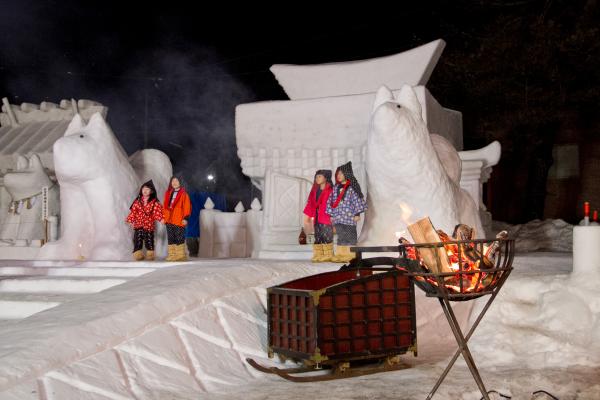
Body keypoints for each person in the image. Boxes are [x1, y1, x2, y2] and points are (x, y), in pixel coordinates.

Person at [326, 162, 367, 263]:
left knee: (350, 236)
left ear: (347, 174)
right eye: (338, 174)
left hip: (349, 217)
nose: (338, 176)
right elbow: (330, 201)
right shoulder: (335, 188)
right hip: (338, 217)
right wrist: (331, 214)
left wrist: (357, 214)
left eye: (341, 173)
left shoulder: (352, 188)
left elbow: (357, 200)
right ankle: (340, 254)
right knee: (341, 236)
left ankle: (350, 255)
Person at [126, 180, 164, 261]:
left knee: (149, 240)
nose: (145, 191)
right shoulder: (137, 201)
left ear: (151, 191)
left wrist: (161, 219)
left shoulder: (154, 202)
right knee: (137, 239)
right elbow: (134, 212)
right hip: (138, 225)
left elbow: (157, 212)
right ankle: (138, 254)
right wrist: (129, 219)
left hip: (149, 226)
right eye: (143, 189)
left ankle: (150, 254)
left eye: (147, 189)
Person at [303, 169, 334, 262]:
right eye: (316, 176)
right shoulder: (314, 190)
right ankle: (318, 255)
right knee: (318, 236)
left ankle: (328, 255)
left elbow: (334, 203)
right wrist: (308, 216)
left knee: (326, 236)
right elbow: (310, 203)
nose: (317, 178)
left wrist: (333, 216)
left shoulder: (331, 190)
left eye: (320, 176)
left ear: (326, 178)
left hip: (326, 217)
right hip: (317, 217)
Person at [163, 176, 192, 261]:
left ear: (180, 183)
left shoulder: (184, 194)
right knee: (170, 237)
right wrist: (164, 217)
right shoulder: (168, 193)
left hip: (179, 219)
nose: (174, 183)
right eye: (173, 181)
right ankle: (172, 255)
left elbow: (187, 206)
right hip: (169, 219)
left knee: (179, 237)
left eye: (176, 181)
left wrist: (186, 218)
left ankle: (180, 255)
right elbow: (164, 206)